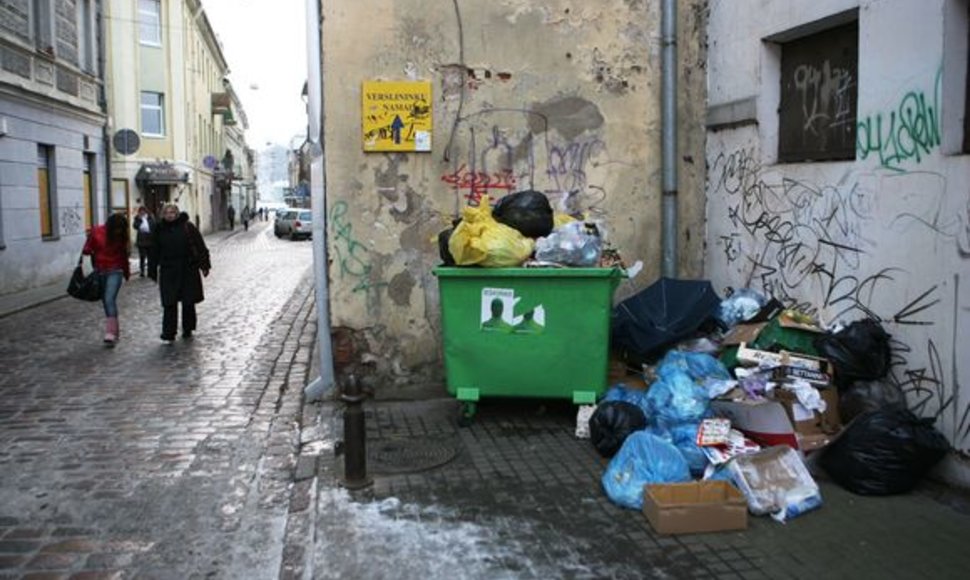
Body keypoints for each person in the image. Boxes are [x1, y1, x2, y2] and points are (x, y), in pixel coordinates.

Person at [148, 203, 211, 344]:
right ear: (163, 215)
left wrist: (204, 265)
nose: (170, 215)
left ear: (176, 214)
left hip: (187, 268)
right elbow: (154, 250)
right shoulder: (159, 229)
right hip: (168, 269)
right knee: (169, 302)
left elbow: (200, 245)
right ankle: (168, 332)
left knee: (188, 301)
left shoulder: (187, 227)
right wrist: (152, 270)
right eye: (167, 213)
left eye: (172, 212)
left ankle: (188, 328)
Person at [82, 213, 131, 346]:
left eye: (121, 229)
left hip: (116, 270)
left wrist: (126, 273)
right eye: (117, 228)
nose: (118, 231)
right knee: (105, 300)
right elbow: (87, 250)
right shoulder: (97, 231)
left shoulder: (120, 236)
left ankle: (110, 333)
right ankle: (114, 331)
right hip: (100, 270)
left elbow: (123, 256)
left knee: (109, 298)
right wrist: (89, 241)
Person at [132, 206, 155, 277]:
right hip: (141, 241)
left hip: (150, 240)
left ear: (145, 211)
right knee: (142, 257)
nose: (142, 212)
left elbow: (153, 226)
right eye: (140, 211)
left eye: (143, 211)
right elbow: (135, 226)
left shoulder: (150, 218)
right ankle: (142, 271)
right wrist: (140, 220)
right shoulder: (137, 219)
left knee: (150, 257)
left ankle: (150, 271)